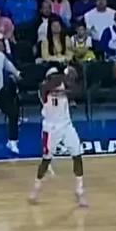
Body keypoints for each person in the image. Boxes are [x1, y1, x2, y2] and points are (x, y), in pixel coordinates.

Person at [29, 68, 88, 207]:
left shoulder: (64, 86)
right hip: (50, 129)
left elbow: (78, 91)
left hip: (66, 126)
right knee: (46, 160)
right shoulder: (43, 89)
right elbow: (50, 86)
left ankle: (79, 190)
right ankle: (36, 189)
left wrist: (72, 78)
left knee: (77, 155)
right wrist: (64, 76)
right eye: (54, 77)